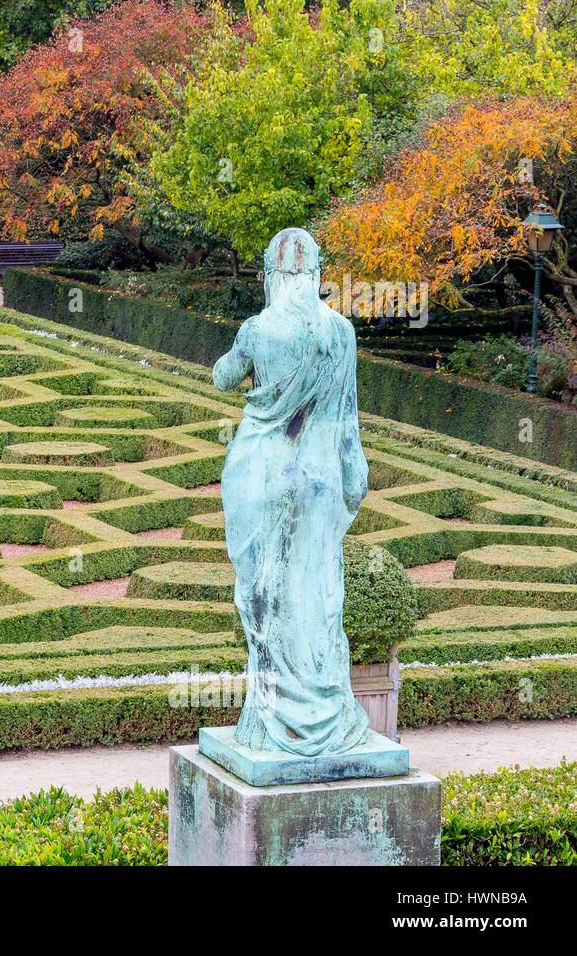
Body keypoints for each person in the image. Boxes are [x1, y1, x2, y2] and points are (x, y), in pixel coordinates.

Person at [212, 227, 371, 756]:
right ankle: (327, 710)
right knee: (319, 596)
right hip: (320, 478)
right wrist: (355, 477)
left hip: (262, 473)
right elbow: (349, 423)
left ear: (271, 275)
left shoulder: (257, 329)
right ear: (316, 275)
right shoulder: (341, 332)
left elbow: (222, 378)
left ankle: (269, 717)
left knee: (264, 598)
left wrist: (239, 354)